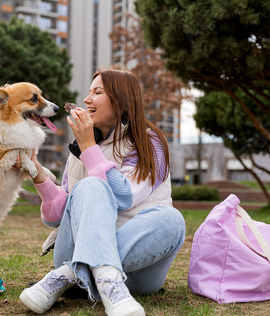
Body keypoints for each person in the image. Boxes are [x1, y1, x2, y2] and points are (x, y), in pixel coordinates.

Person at [19, 68, 186, 316]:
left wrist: (89, 147)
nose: (86, 100)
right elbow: (57, 217)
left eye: (97, 92)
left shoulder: (149, 142)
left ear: (121, 102)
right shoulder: (80, 147)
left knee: (172, 220)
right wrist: (38, 174)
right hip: (72, 247)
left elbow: (123, 196)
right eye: (88, 92)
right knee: (90, 185)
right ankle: (105, 281)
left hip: (137, 270)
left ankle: (70, 275)